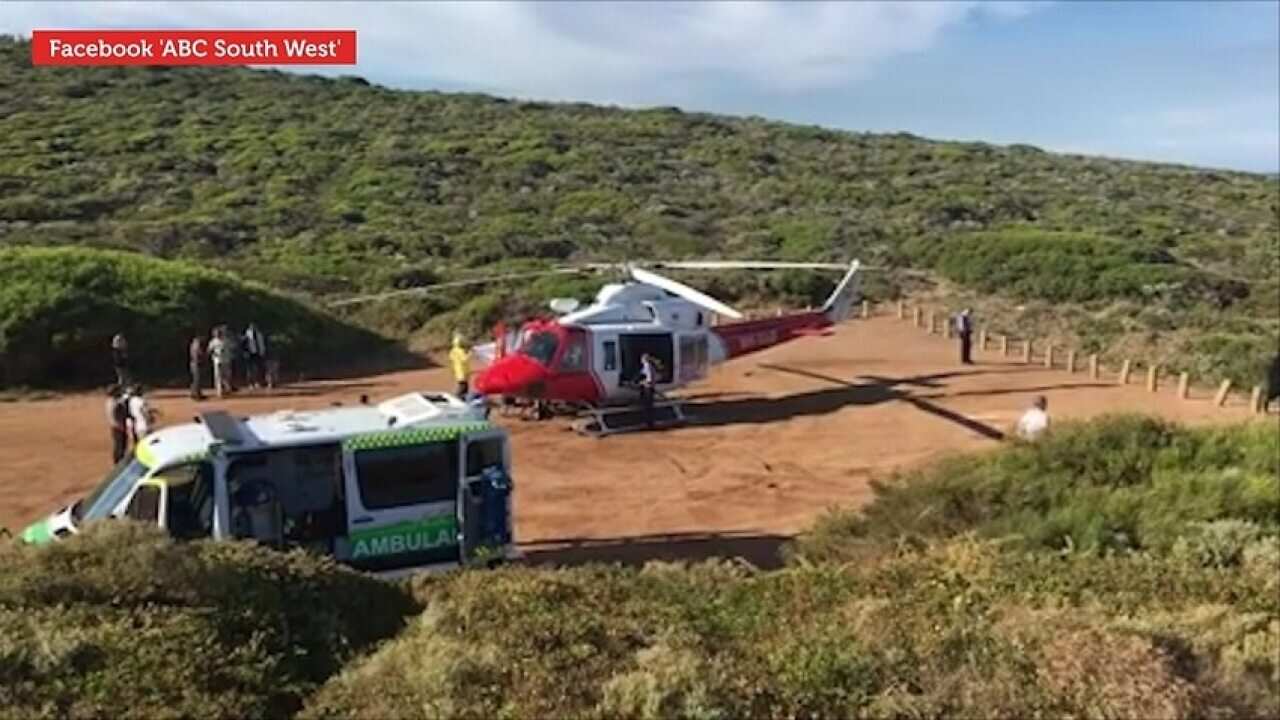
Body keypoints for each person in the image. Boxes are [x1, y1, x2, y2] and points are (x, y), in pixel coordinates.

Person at [105, 384, 130, 464]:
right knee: (120, 445)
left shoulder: (112, 401)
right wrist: (120, 426)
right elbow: (113, 415)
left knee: (121, 444)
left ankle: (119, 461)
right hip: (118, 426)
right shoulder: (113, 403)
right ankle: (118, 462)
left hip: (117, 426)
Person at [208, 327, 233, 398]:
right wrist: (215, 353)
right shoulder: (213, 342)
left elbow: (231, 348)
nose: (218, 334)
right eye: (216, 333)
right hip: (217, 361)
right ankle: (219, 391)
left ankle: (227, 389)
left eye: (219, 332)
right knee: (218, 376)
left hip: (226, 360)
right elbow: (209, 350)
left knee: (227, 376)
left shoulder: (226, 340)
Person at [639, 352, 660, 429]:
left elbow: (649, 379)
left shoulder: (647, 366)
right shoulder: (649, 366)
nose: (641, 360)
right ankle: (650, 422)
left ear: (644, 359)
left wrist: (641, 383)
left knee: (648, 406)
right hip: (650, 388)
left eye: (642, 359)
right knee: (649, 406)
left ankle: (649, 423)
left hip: (648, 388)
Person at [243, 323, 267, 389]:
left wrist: (262, 351)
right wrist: (245, 352)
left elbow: (261, 343)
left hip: (258, 353)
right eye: (251, 327)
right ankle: (250, 383)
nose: (253, 328)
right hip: (250, 353)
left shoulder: (259, 334)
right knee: (249, 369)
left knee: (258, 368)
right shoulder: (246, 335)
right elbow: (243, 345)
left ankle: (257, 382)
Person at [450, 333, 471, 397]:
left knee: (464, 385)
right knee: (463, 386)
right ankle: (457, 396)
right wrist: (470, 353)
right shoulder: (460, 351)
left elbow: (451, 360)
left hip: (457, 370)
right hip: (462, 370)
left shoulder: (452, 351)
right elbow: (464, 359)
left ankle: (463, 397)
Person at [189, 335, 205, 400]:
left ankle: (195, 393)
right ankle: (196, 394)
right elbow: (198, 355)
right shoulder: (196, 347)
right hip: (196, 364)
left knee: (195, 379)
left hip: (194, 363)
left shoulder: (193, 346)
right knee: (197, 379)